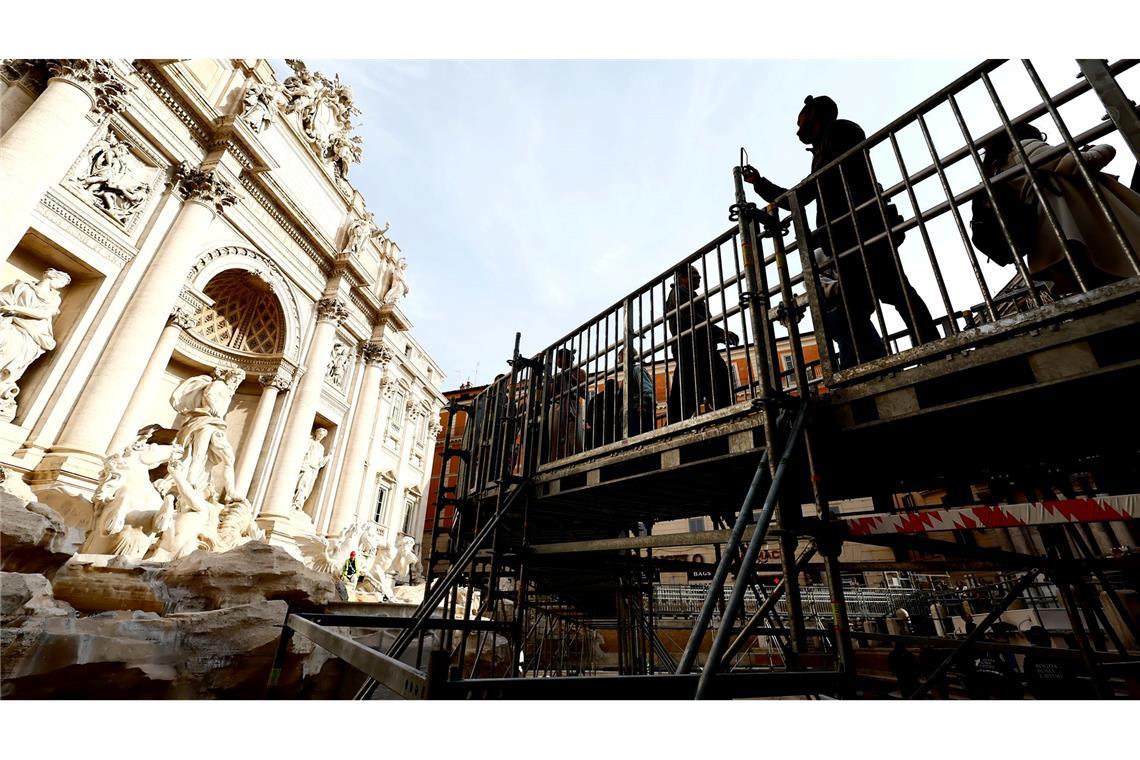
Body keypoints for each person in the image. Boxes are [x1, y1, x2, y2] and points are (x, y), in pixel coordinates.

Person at [743, 95, 940, 366]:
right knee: (862, 307)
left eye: (801, 122)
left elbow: (805, 193)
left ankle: (930, 351)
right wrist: (760, 183)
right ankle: (875, 363)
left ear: (814, 115)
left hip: (861, 231)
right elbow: (806, 193)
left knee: (890, 295)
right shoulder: (829, 142)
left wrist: (763, 185)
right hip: (848, 236)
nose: (798, 130)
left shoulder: (840, 132)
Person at [984, 124, 1140, 296]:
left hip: (1048, 236)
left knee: (1106, 290)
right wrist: (1103, 148)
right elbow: (1080, 163)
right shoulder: (1023, 147)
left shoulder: (997, 168)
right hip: (1071, 227)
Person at [665, 265, 738, 422]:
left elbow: (699, 322)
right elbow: (691, 319)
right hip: (693, 349)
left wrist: (718, 335)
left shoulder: (688, 294)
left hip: (696, 348)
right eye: (693, 274)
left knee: (690, 392)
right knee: (713, 384)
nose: (699, 277)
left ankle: (673, 428)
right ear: (681, 278)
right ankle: (728, 417)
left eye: (698, 275)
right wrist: (720, 333)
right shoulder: (679, 292)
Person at [1021, 625, 1079, 700]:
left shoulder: (1028, 659)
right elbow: (1071, 672)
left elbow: (1030, 680)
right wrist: (1073, 644)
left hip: (1043, 695)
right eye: (1048, 638)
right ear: (1046, 640)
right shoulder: (1056, 657)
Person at [618, 346, 656, 436]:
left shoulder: (637, 369)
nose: (618, 361)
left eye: (619, 358)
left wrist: (643, 405)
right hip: (628, 417)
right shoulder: (627, 376)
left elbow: (648, 390)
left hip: (637, 414)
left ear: (625, 356)